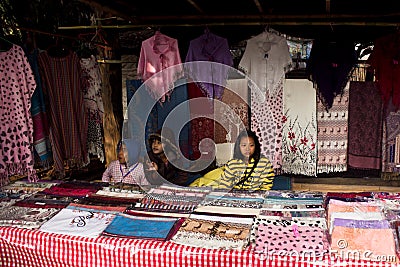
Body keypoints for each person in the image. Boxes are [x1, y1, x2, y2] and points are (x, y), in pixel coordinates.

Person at [208, 130, 275, 191]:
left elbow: (266, 186)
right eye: (244, 145)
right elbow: (225, 185)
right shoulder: (232, 164)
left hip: (257, 197)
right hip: (236, 197)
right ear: (238, 146)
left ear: (256, 146)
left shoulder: (264, 163)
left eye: (251, 145)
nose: (247, 149)